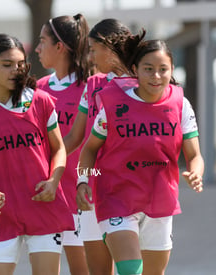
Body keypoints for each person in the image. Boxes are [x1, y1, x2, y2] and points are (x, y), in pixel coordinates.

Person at [76, 32, 204, 275]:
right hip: (116, 199)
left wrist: (196, 173)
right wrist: (83, 180)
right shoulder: (113, 103)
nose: (156, 76)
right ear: (135, 70)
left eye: (162, 69)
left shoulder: (180, 104)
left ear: (172, 70)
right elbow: (90, 149)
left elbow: (194, 154)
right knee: (130, 271)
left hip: (160, 200)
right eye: (148, 69)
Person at [0, 33, 74, 275]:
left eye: (20, 65)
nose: (15, 71)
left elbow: (59, 149)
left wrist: (53, 181)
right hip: (0, 217)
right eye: (7, 65)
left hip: (43, 209)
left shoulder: (41, 102)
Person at [63, 18, 132, 275]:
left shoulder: (145, 82)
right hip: (96, 182)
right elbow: (74, 139)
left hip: (132, 189)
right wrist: (81, 179)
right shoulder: (92, 85)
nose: (90, 57)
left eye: (93, 49)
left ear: (110, 46)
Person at [35, 14, 90, 275]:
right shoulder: (38, 89)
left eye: (42, 41)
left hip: (83, 193)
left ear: (60, 47)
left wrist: (88, 181)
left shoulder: (91, 87)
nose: (37, 48)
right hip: (50, 194)